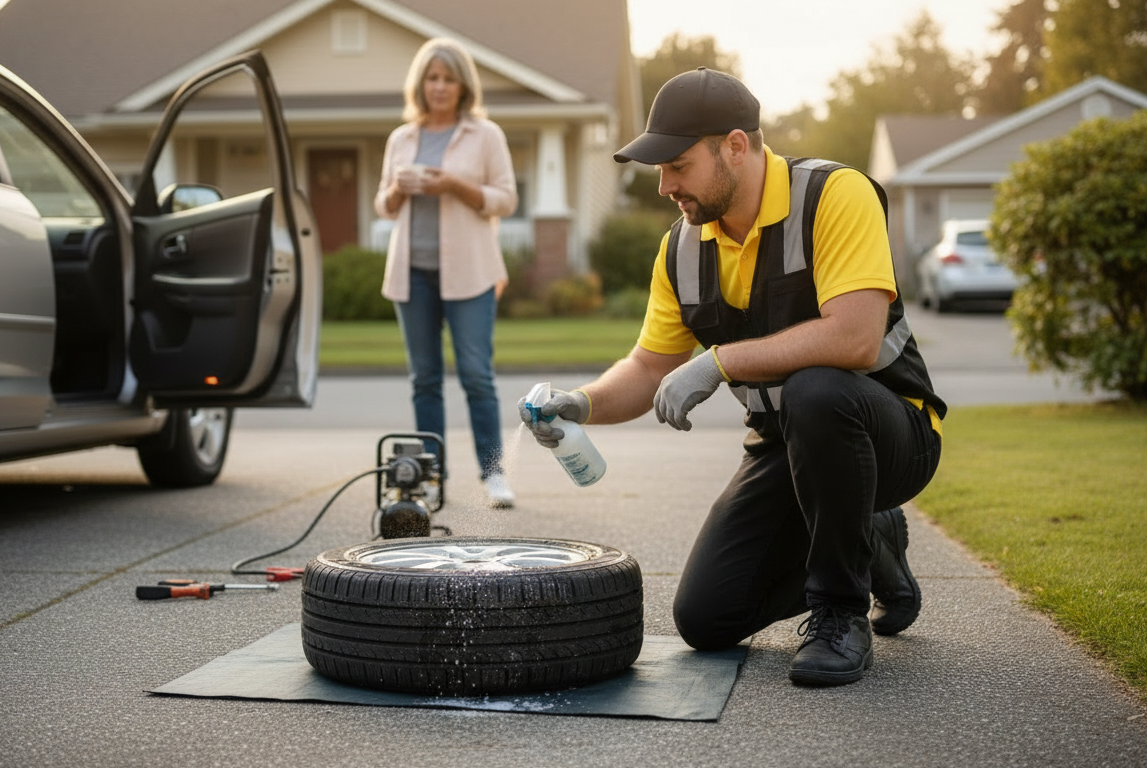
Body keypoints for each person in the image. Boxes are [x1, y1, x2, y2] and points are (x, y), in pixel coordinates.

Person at [520, 68, 945, 686]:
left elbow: (854, 337)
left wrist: (719, 362)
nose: (664, 185)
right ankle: (870, 539)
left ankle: (840, 613)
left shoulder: (835, 195)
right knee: (706, 618)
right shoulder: (682, 249)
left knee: (817, 389)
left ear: (736, 147)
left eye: (678, 165)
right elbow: (647, 366)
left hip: (890, 433)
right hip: (783, 442)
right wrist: (579, 405)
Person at [376, 38, 519, 508]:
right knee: (425, 380)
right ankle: (429, 477)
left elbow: (505, 199)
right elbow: (384, 205)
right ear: (421, 85)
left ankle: (494, 473)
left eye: (448, 78)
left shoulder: (485, 135)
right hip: (411, 275)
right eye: (431, 78)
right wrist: (398, 188)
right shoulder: (401, 138)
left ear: (463, 86)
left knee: (477, 376)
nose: (439, 87)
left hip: (471, 275)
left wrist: (454, 183)